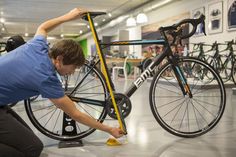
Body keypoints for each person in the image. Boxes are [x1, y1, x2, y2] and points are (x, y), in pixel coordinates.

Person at [0, 8, 124, 157]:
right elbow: (76, 114)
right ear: (59, 59)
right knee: (32, 149)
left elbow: (43, 27)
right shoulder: (45, 77)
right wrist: (109, 129)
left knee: (28, 141)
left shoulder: (39, 46)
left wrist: (68, 17)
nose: (72, 72)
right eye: (72, 68)